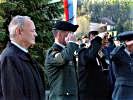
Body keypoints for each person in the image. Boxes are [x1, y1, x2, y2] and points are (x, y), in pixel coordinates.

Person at [0, 15, 45, 100]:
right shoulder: (9, 58)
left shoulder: (23, 56)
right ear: (19, 31)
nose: (36, 34)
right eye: (33, 31)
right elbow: (14, 96)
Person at [44, 21, 79, 100]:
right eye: (70, 33)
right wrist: (71, 43)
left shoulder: (67, 51)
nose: (73, 36)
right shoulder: (52, 52)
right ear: (60, 34)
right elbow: (62, 59)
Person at [78, 23, 111, 100]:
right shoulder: (83, 52)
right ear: (92, 37)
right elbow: (92, 56)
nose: (106, 40)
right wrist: (97, 39)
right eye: (104, 37)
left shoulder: (101, 53)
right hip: (89, 96)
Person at [111, 31, 133, 100]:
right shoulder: (119, 53)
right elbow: (113, 55)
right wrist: (124, 45)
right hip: (122, 91)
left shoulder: (131, 55)